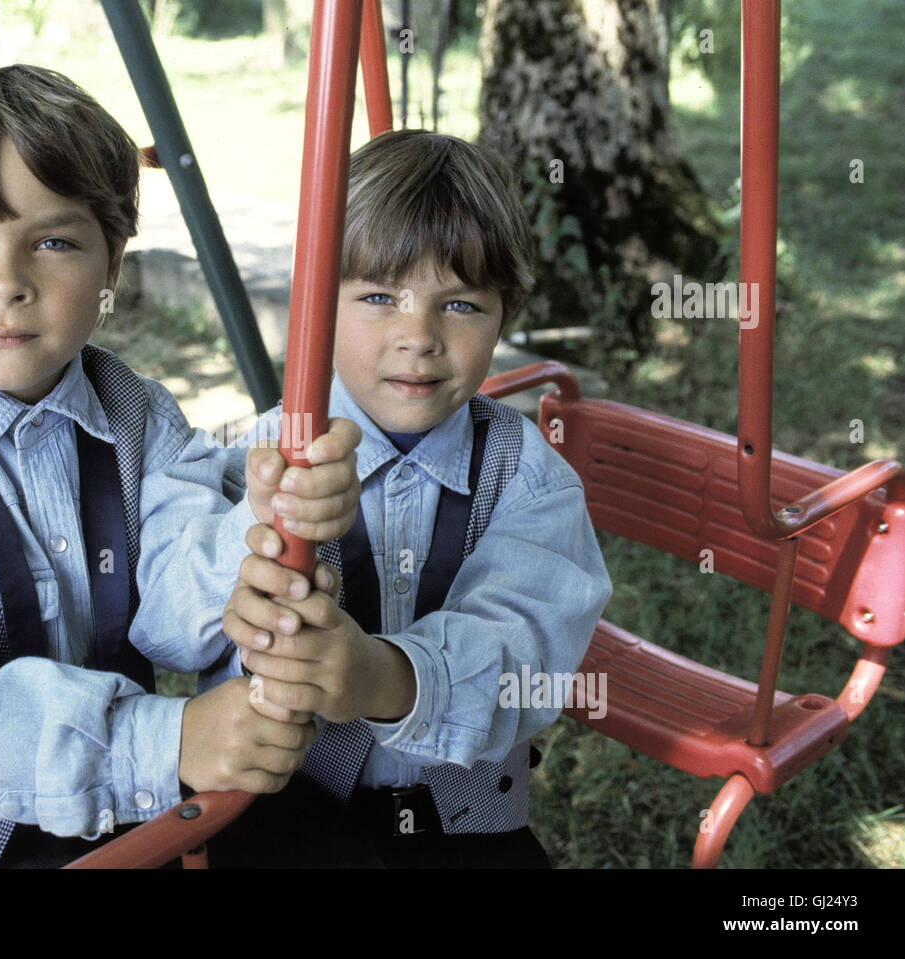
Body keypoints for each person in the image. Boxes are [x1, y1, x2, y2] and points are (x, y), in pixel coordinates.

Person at [0, 64, 362, 869]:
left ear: (112, 264)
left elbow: (171, 605)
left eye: (52, 241)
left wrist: (254, 537)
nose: (5, 283)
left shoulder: (136, 413)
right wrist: (166, 737)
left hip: (113, 815)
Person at [208, 130, 613, 867]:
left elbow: (522, 659)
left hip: (458, 821)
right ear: (317, 305)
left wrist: (380, 676)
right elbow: (190, 618)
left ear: (505, 313)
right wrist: (249, 539)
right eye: (378, 296)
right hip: (285, 805)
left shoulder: (529, 479)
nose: (417, 336)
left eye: (459, 304)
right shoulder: (267, 453)